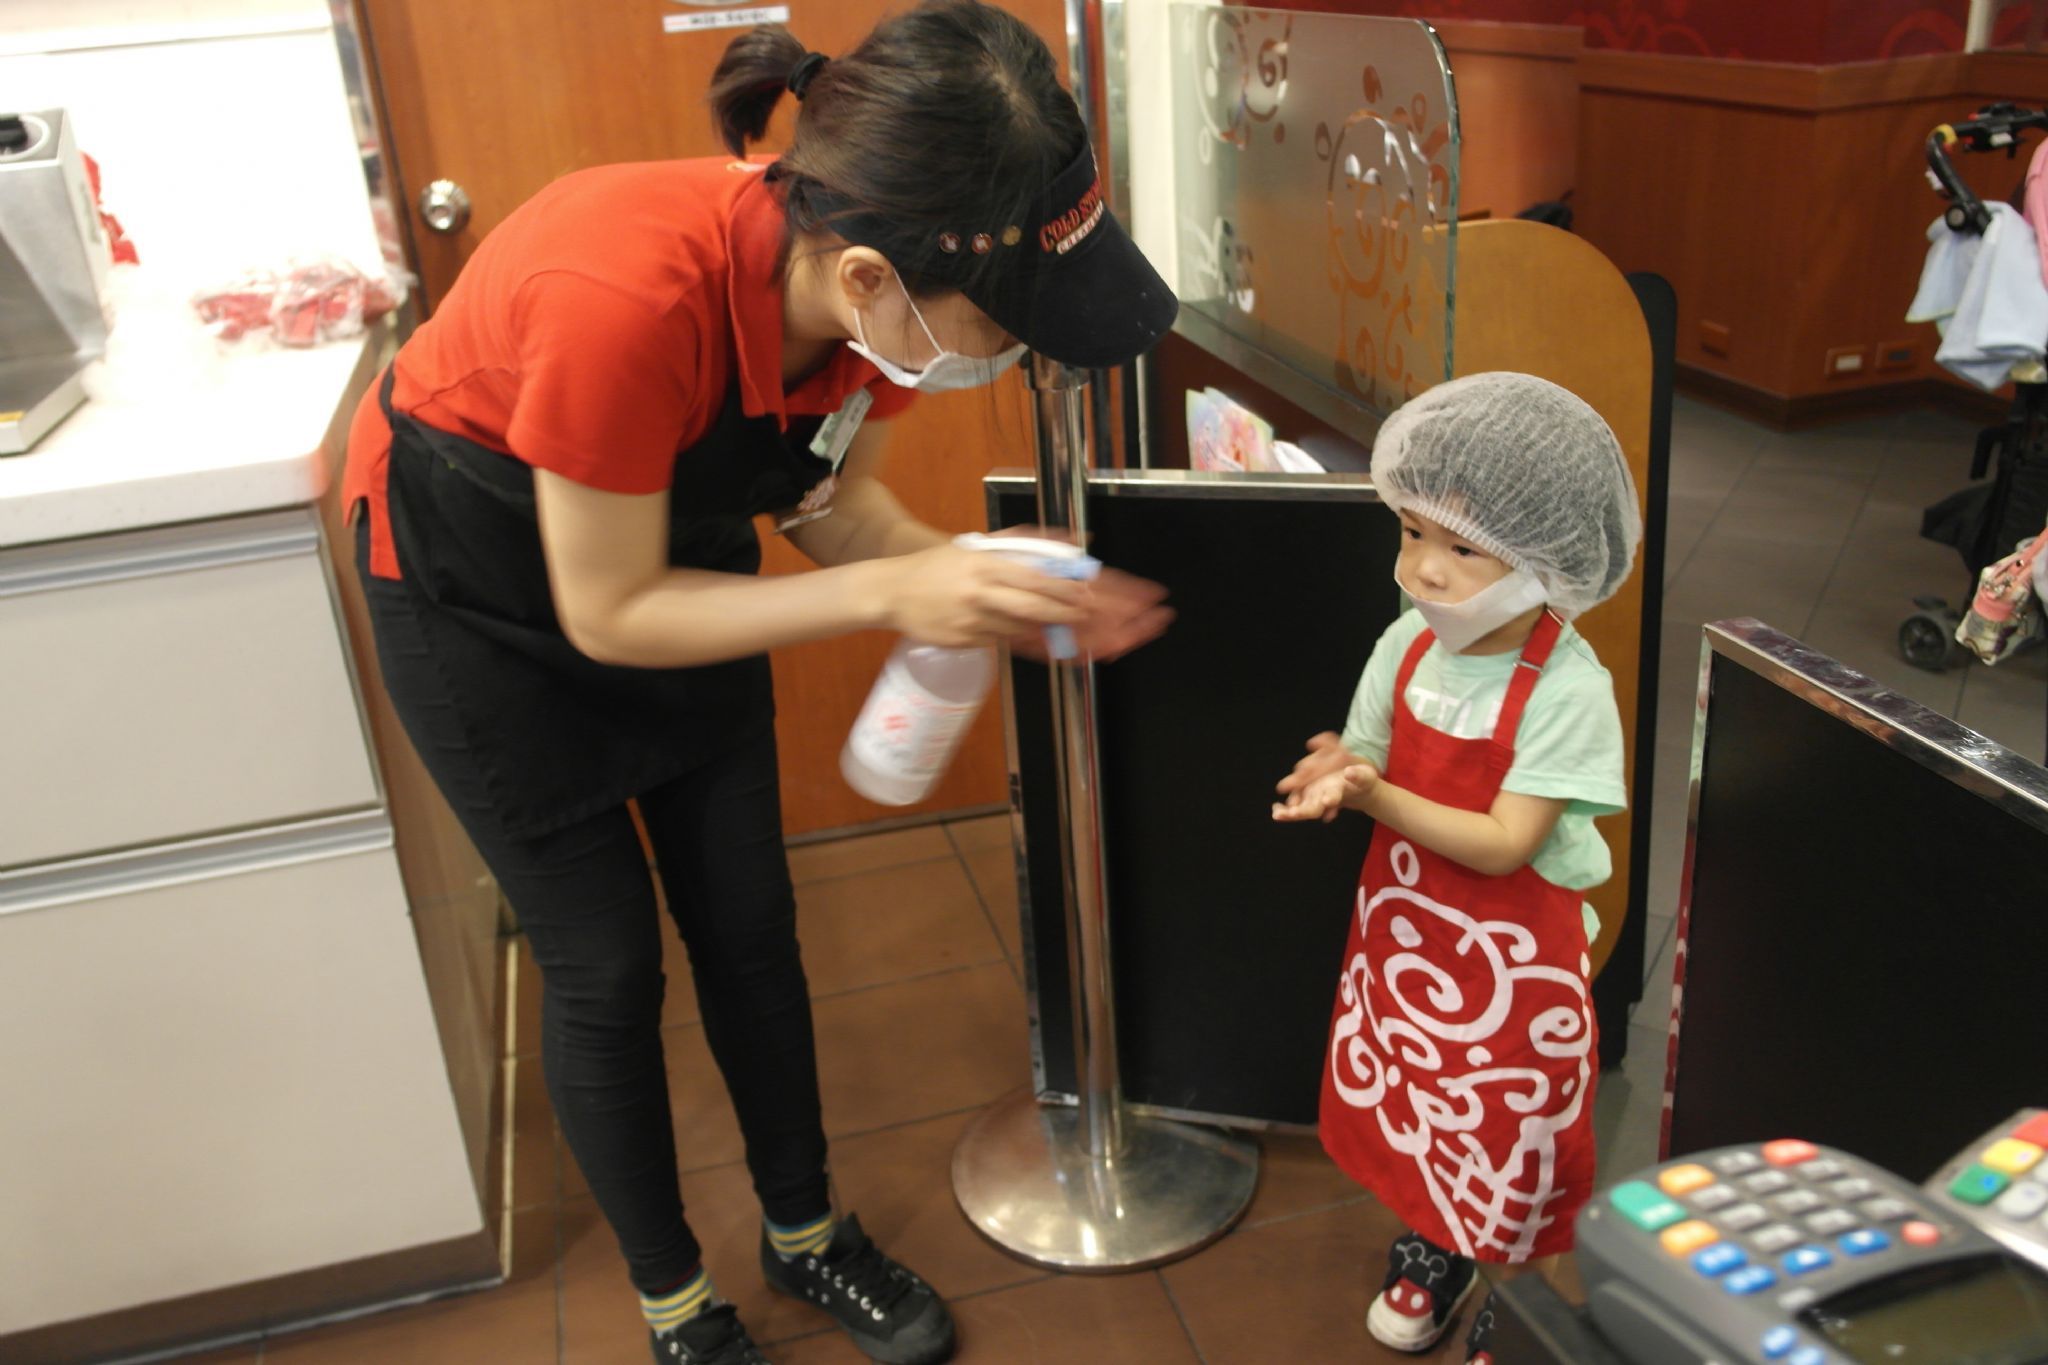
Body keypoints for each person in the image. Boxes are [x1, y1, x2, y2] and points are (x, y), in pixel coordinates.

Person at [338, 4, 1176, 1362]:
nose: (1009, 348)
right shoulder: (624, 295)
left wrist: (972, 578)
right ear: (867, 276)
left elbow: (829, 508)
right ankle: (674, 1301)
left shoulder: (866, 307)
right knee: (605, 964)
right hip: (478, 591)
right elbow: (608, 610)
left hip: (669, 550)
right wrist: (901, 594)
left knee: (746, 922)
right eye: (1003, 319)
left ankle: (807, 1231)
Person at [1272, 372, 1641, 1363]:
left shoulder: (1566, 689)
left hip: (1517, 974)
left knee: (1511, 1141)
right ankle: (1435, 1242)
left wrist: (1373, 798)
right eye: (1411, 533)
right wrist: (1335, 771)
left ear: (1541, 560)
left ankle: (1514, 1306)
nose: (1423, 571)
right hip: (1408, 947)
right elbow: (1366, 751)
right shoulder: (1406, 644)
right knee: (1420, 1110)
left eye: (1462, 548)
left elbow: (1506, 840)